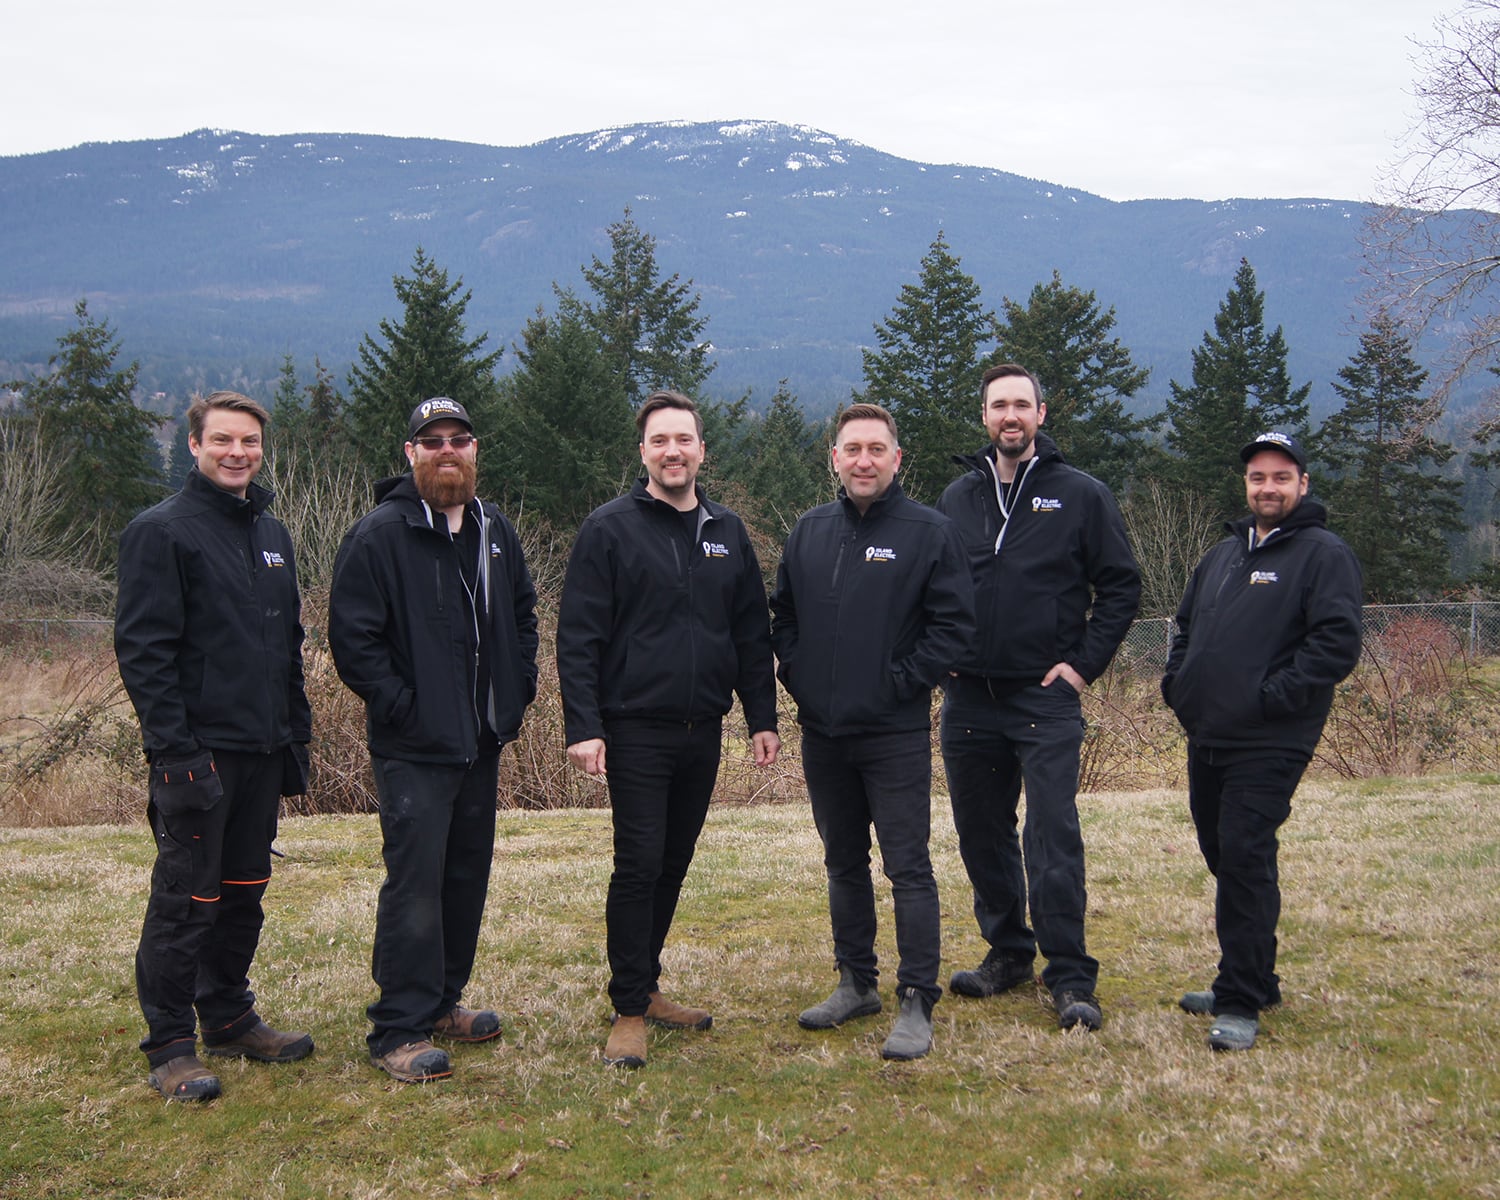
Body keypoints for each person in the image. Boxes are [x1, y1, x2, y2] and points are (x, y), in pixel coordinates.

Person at [557, 390, 780, 1070]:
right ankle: (628, 1008)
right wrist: (584, 725)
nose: (673, 451)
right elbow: (580, 635)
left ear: (702, 450)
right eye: (660, 441)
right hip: (634, 730)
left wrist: (762, 718)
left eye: (684, 439)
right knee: (639, 863)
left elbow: (749, 633)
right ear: (644, 451)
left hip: (701, 729)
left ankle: (646, 985)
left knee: (673, 865)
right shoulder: (610, 528)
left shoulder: (727, 531)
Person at [329, 397, 538, 1083]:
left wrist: (518, 689)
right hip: (413, 746)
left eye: (459, 439)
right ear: (411, 453)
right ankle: (398, 1027)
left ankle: (444, 1002)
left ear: (475, 450)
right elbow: (354, 644)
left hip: (481, 742)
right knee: (415, 884)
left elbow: (523, 615)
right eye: (432, 441)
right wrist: (407, 710)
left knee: (463, 877)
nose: (447, 450)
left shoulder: (492, 528)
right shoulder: (379, 536)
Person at [115, 389, 315, 1102]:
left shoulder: (272, 535)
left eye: (250, 443)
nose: (238, 453)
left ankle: (228, 1013)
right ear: (195, 445)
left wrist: (295, 736)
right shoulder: (161, 532)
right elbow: (145, 653)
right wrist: (175, 754)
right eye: (224, 440)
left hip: (262, 750)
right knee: (186, 898)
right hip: (196, 755)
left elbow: (285, 646)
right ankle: (170, 1043)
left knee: (244, 891)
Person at [936, 364, 1140, 1032]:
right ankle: (1008, 952)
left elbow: (1120, 588)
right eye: (999, 405)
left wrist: (1082, 668)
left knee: (1052, 836)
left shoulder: (1080, 495)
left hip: (1044, 698)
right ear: (985, 416)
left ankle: (1072, 976)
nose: (1010, 416)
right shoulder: (957, 499)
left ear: (1041, 415)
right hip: (970, 699)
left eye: (1021, 404)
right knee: (982, 834)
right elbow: (931, 591)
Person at [770, 403, 975, 1061]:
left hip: (894, 733)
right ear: (834, 457)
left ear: (896, 459)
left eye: (875, 449)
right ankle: (856, 981)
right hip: (824, 733)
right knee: (841, 860)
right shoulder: (809, 530)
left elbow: (953, 629)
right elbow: (784, 619)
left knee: (907, 865)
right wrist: (799, 677)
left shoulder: (929, 532)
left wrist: (898, 684)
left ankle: (917, 996)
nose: (863, 460)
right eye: (851, 449)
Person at [1162, 431, 1362, 1051]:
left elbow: (1336, 644)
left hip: (1271, 740)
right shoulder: (1223, 555)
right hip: (1209, 732)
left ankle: (1241, 999)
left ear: (1302, 484)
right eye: (1257, 477)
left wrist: (1270, 698)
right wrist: (1179, 685)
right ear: (1246, 485)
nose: (1267, 488)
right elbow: (1186, 626)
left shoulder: (1323, 554)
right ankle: (1257, 978)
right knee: (1225, 854)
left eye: (1280, 477)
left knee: (1245, 857)